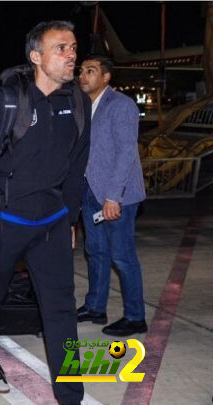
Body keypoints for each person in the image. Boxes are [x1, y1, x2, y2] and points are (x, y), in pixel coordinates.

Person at [0, 21, 103, 405]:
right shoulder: (7, 101)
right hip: (5, 221)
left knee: (61, 314)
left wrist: (71, 218)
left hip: (53, 224)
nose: (71, 55)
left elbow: (76, 169)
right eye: (61, 48)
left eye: (73, 47)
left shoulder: (78, 103)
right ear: (36, 56)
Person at [77, 56, 147, 336]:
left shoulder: (121, 105)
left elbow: (126, 153)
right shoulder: (84, 106)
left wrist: (113, 197)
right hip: (90, 191)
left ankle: (135, 316)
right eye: (81, 70)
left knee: (122, 256)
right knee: (95, 251)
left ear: (106, 77)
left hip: (117, 194)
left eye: (90, 71)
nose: (83, 75)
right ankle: (95, 307)